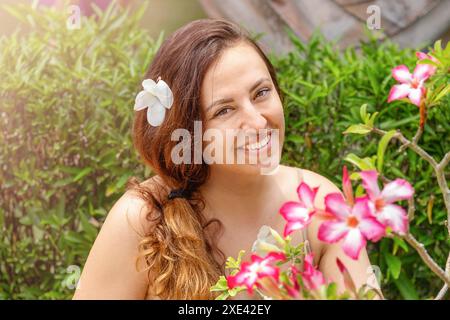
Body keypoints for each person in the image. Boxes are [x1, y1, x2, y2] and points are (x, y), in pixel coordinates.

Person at [73, 18, 379, 300]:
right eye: (224, 110)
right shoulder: (143, 219)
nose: (258, 123)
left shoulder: (318, 203)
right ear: (188, 131)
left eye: (261, 93)